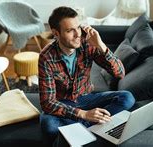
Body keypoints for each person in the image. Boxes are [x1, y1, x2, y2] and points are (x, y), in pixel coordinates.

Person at [38, 6, 135, 144]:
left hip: (86, 98)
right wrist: (83, 114)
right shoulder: (46, 56)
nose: (77, 34)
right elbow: (47, 103)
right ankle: (91, 127)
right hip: (63, 103)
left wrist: (101, 46)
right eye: (69, 30)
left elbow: (119, 73)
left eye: (78, 27)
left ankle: (79, 129)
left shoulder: (87, 44)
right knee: (49, 126)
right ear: (56, 33)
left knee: (127, 97)